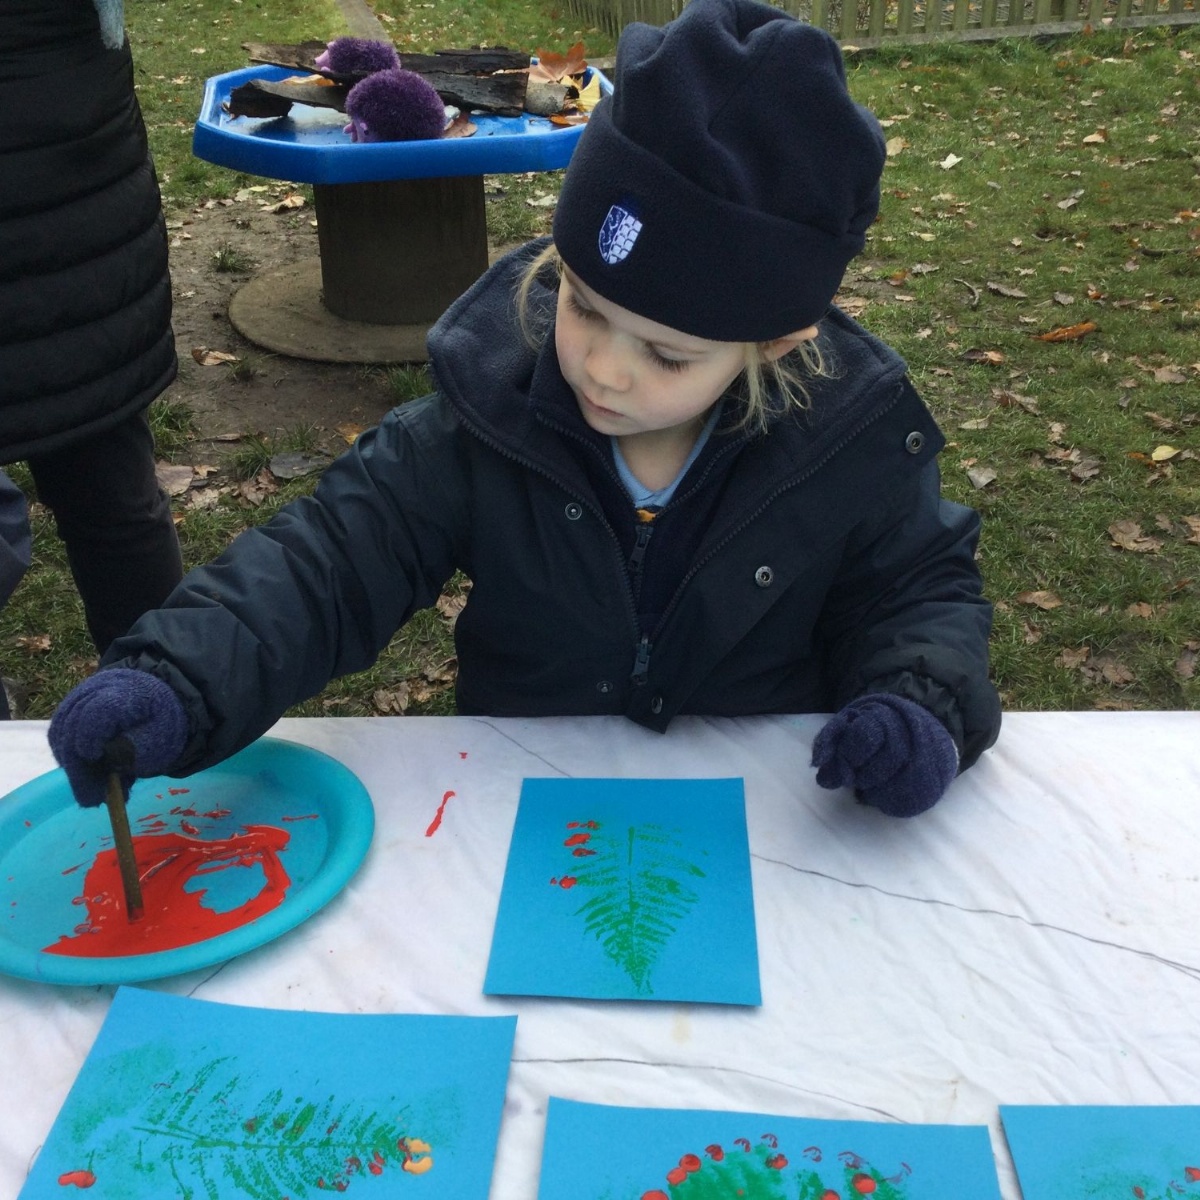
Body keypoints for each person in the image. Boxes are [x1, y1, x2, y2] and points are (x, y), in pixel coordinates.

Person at [48, 0, 1001, 819]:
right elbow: (329, 562)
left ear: (776, 344)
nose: (604, 370)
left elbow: (916, 588)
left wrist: (916, 699)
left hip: (767, 809)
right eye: (583, 303)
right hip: (522, 797)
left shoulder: (846, 442)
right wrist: (175, 674)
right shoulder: (487, 413)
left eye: (668, 353)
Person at [0, 0, 183, 657]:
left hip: (71, 179)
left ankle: (155, 703)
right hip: (78, 155)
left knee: (111, 491)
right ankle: (159, 701)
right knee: (113, 494)